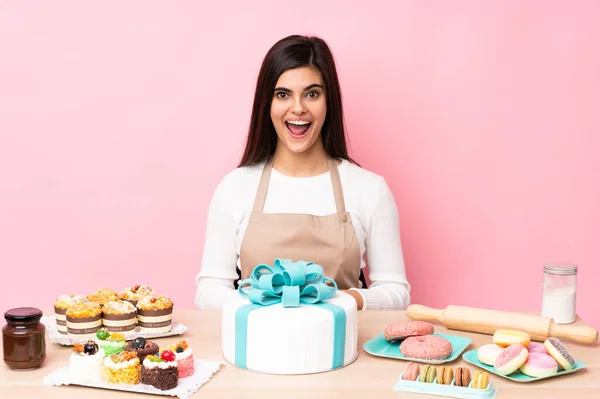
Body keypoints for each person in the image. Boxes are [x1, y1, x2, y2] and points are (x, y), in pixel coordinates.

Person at [194, 34, 410, 310]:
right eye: (283, 95)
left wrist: (337, 300)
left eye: (312, 94)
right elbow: (208, 291)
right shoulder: (235, 187)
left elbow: (396, 293)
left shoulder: (369, 188)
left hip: (341, 350)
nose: (298, 108)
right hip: (256, 349)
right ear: (267, 104)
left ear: (329, 101)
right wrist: (265, 303)